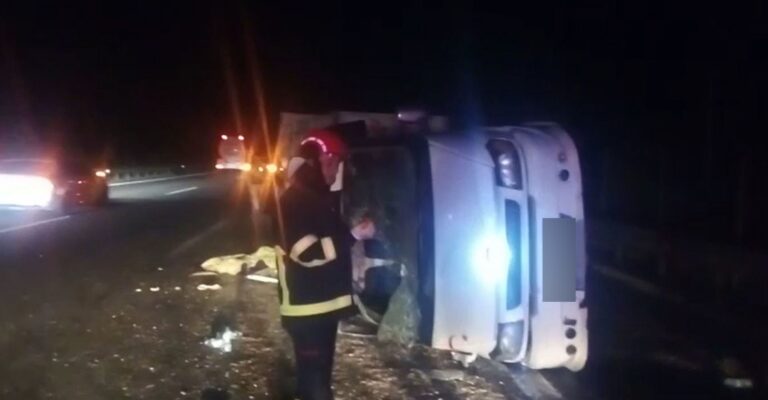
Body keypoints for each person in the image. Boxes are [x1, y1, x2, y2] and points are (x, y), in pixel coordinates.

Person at [274, 128, 375, 400]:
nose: (336, 172)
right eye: (336, 164)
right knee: (315, 388)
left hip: (320, 311)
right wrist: (353, 235)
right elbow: (305, 253)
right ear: (322, 161)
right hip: (307, 313)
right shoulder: (292, 202)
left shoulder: (314, 200)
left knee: (318, 381)